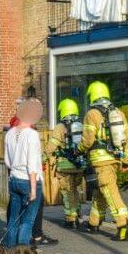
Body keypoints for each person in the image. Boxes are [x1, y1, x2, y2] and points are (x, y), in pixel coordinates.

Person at [78, 81, 128, 241]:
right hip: (115, 160)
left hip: (100, 162)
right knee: (100, 192)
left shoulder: (92, 114)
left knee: (110, 193)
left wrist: (78, 150)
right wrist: (125, 161)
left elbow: (88, 141)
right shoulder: (118, 112)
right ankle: (93, 223)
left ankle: (124, 227)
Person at [3, 98, 43, 247]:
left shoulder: (10, 133)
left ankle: (10, 253)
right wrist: (33, 189)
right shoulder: (32, 135)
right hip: (29, 181)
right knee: (27, 221)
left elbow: (7, 161)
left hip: (14, 179)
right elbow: (32, 165)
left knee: (13, 219)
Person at [46, 98, 85, 229]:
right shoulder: (81, 125)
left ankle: (71, 219)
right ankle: (78, 213)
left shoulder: (60, 127)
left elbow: (51, 147)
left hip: (65, 166)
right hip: (79, 166)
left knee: (67, 192)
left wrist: (44, 157)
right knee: (75, 190)